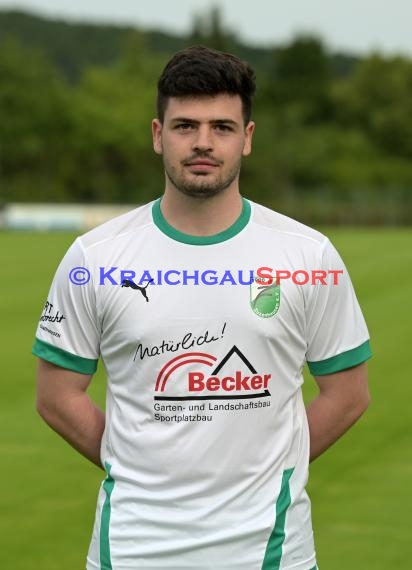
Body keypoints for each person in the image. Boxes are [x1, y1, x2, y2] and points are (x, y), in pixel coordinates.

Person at [33, 45, 371, 570]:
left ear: (248, 138)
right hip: (131, 550)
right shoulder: (94, 258)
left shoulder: (308, 255)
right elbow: (56, 397)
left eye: (222, 127)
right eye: (185, 125)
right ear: (157, 134)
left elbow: (348, 394)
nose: (203, 143)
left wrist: (268, 473)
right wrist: (140, 465)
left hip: (270, 551)